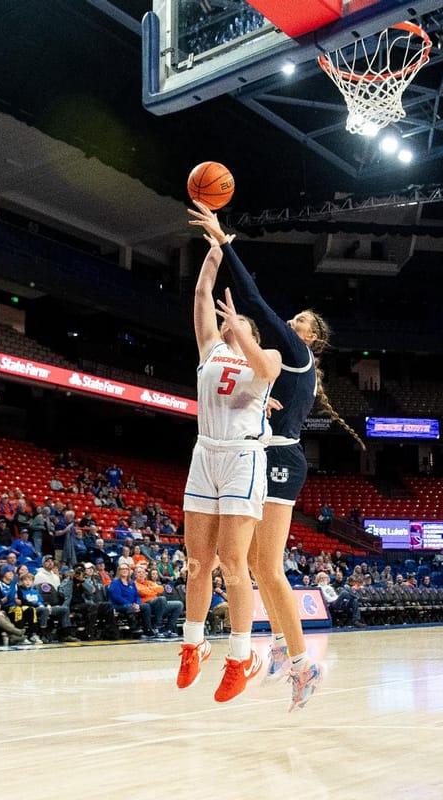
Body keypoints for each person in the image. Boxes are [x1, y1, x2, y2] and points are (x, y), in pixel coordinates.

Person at [189, 202, 364, 710]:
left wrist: (224, 245)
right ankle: (286, 648)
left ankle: (303, 664)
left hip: (280, 461)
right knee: (250, 563)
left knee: (265, 566)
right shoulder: (283, 364)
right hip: (261, 455)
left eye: (299, 322)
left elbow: (255, 302)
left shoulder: (297, 352)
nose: (290, 322)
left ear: (311, 338)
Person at [175, 229, 281, 704]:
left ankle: (241, 656)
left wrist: (242, 329)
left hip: (243, 458)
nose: (226, 326)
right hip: (205, 455)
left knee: (235, 562)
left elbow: (267, 369)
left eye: (235, 325)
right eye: (225, 324)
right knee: (198, 562)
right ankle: (193, 645)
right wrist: (216, 252)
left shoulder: (267, 357)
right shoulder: (210, 350)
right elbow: (201, 294)